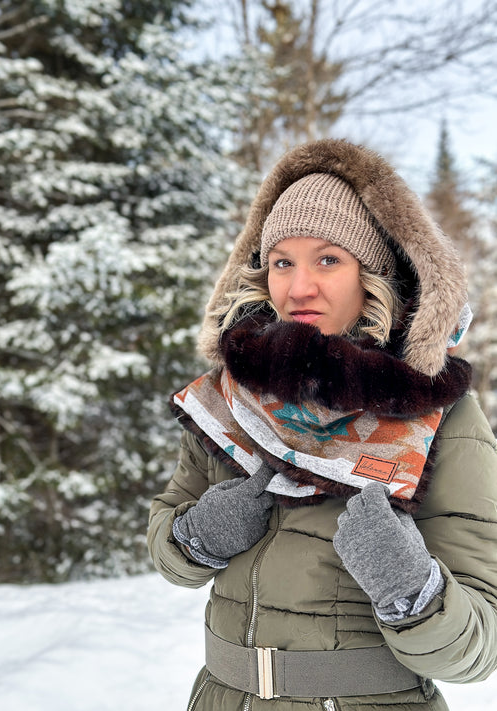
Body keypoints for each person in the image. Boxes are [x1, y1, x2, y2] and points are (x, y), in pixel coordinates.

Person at [147, 138, 497, 711]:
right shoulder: (232, 399)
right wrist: (194, 539)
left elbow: (481, 649)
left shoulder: (438, 417)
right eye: (282, 261)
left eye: (328, 260)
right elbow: (168, 542)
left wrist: (412, 591)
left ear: (373, 277)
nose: (299, 287)